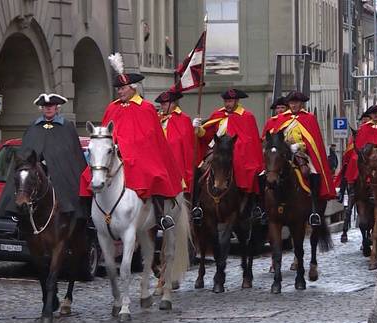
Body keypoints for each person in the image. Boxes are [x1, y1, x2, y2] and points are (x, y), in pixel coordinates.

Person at [93, 53, 183, 231]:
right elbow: (105, 133)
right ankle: (93, 216)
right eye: (118, 88)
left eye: (123, 88)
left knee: (155, 175)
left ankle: (161, 215)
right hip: (114, 156)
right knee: (88, 176)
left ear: (132, 88)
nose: (119, 91)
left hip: (140, 157)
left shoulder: (146, 108)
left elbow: (151, 137)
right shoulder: (112, 107)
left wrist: (132, 149)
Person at [0, 93, 88, 222]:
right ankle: (18, 219)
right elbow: (26, 151)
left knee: (69, 185)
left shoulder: (66, 126)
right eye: (45, 106)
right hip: (37, 171)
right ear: (41, 108)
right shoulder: (34, 126)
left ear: (57, 107)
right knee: (22, 183)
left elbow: (72, 155)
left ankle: (72, 216)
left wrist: (55, 161)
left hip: (61, 172)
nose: (48, 109)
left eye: (51, 106)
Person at [264, 91, 336, 226]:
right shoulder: (281, 119)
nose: (294, 105)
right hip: (283, 153)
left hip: (302, 153)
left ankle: (314, 209)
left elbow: (313, 142)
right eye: (291, 103)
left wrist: (299, 146)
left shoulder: (309, 118)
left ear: (301, 104)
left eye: (296, 103)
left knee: (312, 173)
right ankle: (263, 208)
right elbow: (274, 138)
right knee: (265, 173)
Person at [192, 88, 264, 220]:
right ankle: (197, 205)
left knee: (252, 172)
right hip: (217, 151)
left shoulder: (247, 116)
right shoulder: (218, 114)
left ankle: (256, 207)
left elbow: (249, 141)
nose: (227, 104)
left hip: (238, 152)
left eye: (230, 101)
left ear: (237, 101)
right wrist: (198, 129)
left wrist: (238, 149)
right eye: (226, 101)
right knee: (199, 169)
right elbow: (208, 134)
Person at [336, 112, 371, 242]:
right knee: (350, 162)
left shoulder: (373, 129)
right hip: (358, 157)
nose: (365, 121)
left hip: (371, 155)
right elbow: (351, 148)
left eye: (367, 119)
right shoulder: (357, 132)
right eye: (364, 119)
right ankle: (346, 188)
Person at [155, 90, 195, 199]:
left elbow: (188, 147)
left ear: (173, 104)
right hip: (161, 160)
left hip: (177, 160)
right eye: (161, 104)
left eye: (164, 104)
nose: (162, 107)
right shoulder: (158, 118)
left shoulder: (183, 119)